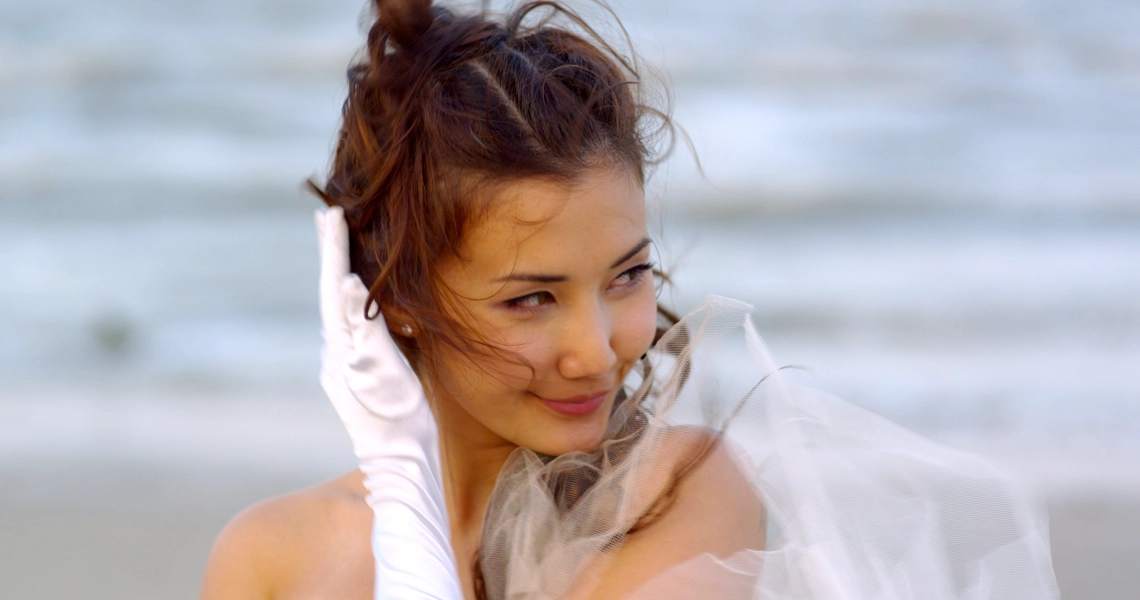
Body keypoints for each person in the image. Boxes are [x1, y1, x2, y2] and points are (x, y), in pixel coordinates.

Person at [200, 1, 1059, 599]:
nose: (599, 348)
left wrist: (400, 479)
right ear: (402, 296)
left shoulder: (681, 494)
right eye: (532, 299)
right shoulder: (270, 558)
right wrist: (399, 477)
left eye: (627, 276)